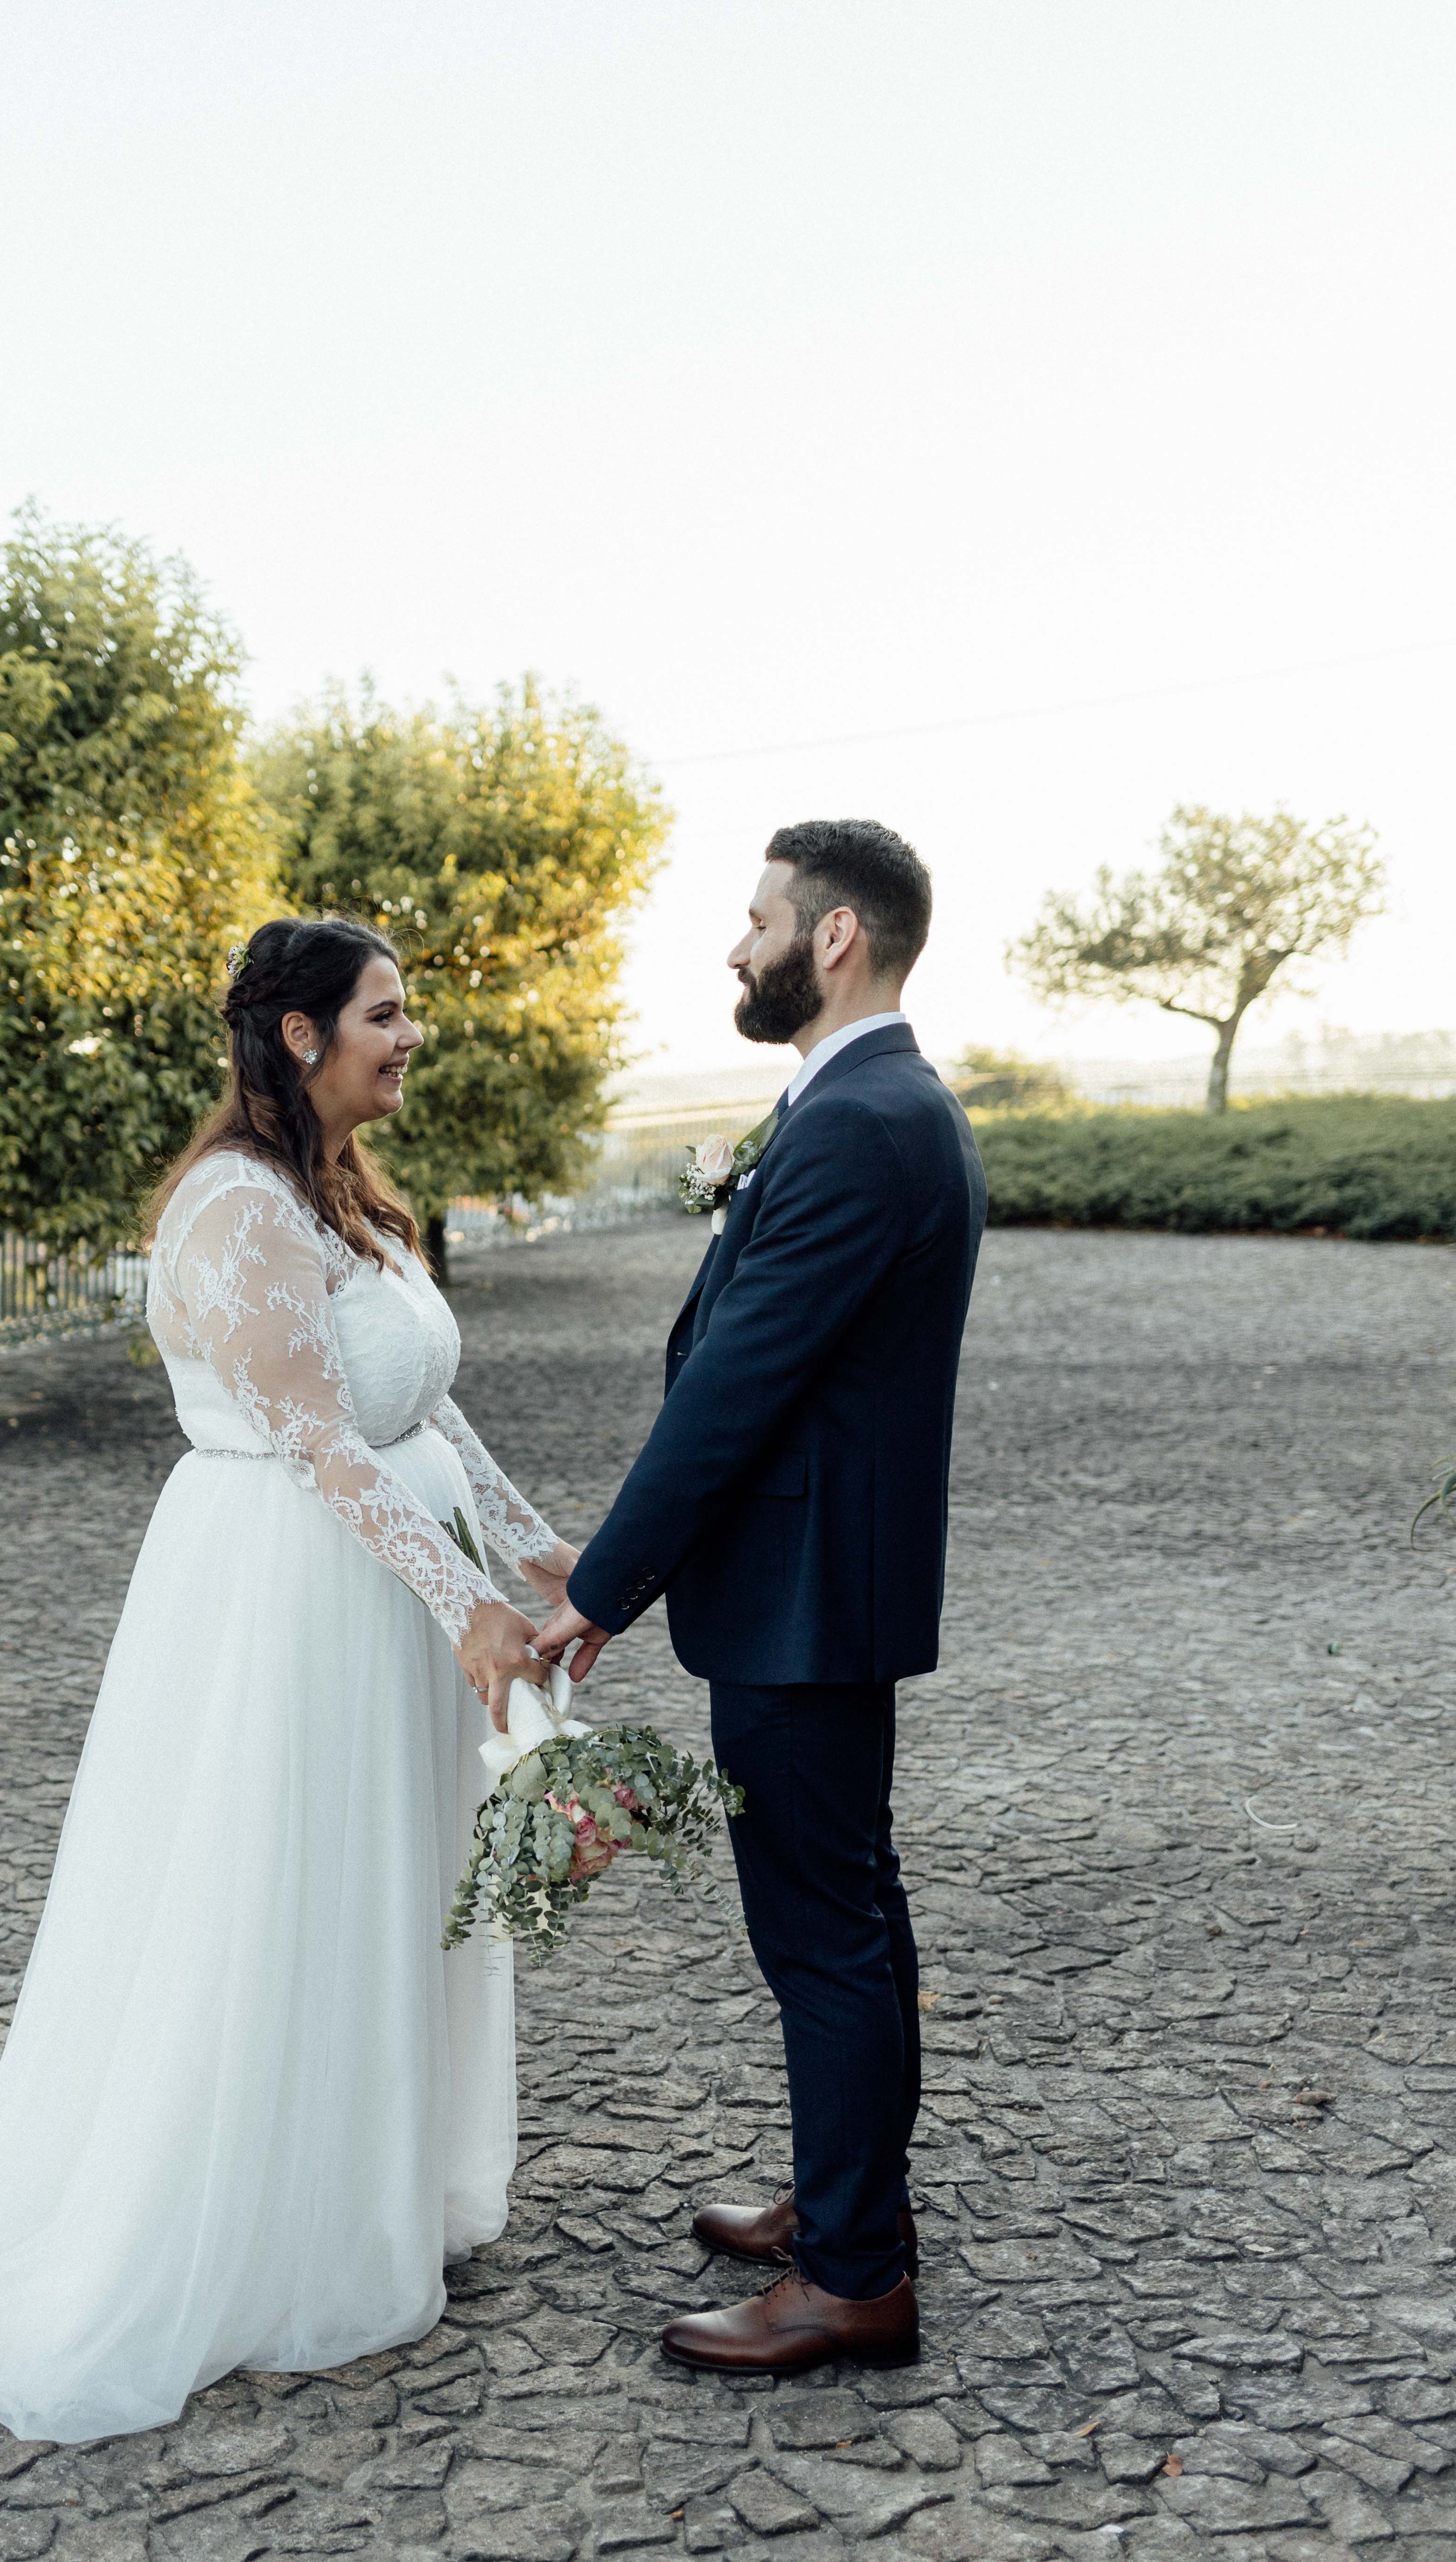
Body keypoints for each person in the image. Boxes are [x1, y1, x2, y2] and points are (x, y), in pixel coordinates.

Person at [0, 916, 575, 2443]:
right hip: (295, 1598)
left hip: (398, 1590)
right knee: (291, 1897)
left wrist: (548, 1566)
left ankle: (384, 2180)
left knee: (401, 1893)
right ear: (299, 1034)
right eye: (387, 1015)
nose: (411, 1039)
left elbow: (426, 1410)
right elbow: (324, 1441)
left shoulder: (353, 1195)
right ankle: (274, 2221)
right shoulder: (235, 1211)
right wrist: (468, 1606)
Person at [536, 819, 985, 2375]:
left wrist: (597, 1591)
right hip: (813, 1585)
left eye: (757, 919)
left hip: (804, 1597)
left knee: (824, 1934)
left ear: (837, 934)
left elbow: (735, 1387)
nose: (737, 947)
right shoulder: (863, 1102)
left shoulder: (868, 1120)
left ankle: (856, 2275)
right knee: (850, 1909)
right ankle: (846, 2202)